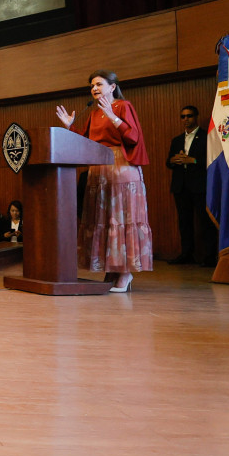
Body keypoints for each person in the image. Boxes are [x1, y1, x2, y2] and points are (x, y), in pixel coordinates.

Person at [55, 69, 152, 293]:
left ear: (112, 87)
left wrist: (113, 117)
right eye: (92, 85)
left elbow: (133, 137)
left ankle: (125, 272)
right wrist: (70, 127)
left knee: (122, 220)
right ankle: (112, 269)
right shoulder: (94, 113)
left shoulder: (123, 106)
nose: (94, 88)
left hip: (120, 167)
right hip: (99, 169)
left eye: (99, 84)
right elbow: (88, 142)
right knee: (105, 220)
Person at [166, 104, 213, 265]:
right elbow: (168, 162)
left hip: (200, 185)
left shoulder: (207, 137)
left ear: (196, 117)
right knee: (184, 222)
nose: (186, 119)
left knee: (205, 222)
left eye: (189, 116)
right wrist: (173, 160)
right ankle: (187, 254)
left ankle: (210, 256)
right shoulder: (177, 140)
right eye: (183, 116)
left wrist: (192, 160)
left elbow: (212, 161)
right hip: (181, 186)